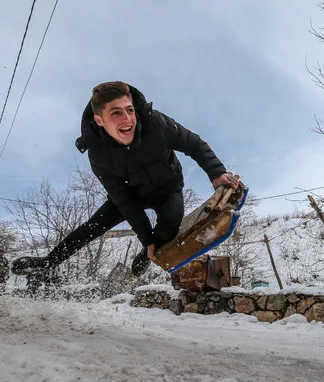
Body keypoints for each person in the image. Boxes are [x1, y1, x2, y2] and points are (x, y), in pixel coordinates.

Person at [12, 81, 238, 278]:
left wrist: (216, 172)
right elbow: (124, 200)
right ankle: (48, 262)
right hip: (131, 195)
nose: (128, 119)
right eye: (116, 113)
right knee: (92, 227)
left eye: (129, 110)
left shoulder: (156, 124)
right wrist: (145, 236)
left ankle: (148, 251)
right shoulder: (98, 154)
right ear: (100, 121)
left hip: (167, 189)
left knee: (170, 223)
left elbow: (194, 144)